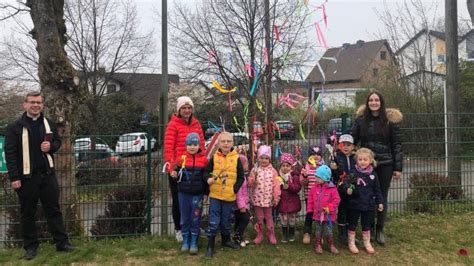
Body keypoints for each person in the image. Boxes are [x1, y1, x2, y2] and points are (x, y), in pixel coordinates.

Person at [4, 91, 75, 260]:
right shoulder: (15, 127)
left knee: (54, 211)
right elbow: (10, 154)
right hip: (26, 178)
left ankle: (62, 243)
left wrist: (50, 146)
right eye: (32, 102)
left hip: (47, 175)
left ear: (42, 105)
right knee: (28, 213)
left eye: (39, 102)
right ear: (25, 104)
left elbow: (57, 142)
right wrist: (14, 178)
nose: (36, 105)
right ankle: (31, 247)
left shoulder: (48, 123)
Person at [350, 90, 403, 245]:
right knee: (367, 196)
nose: (374, 103)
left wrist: (398, 168)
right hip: (367, 165)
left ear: (381, 102)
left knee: (381, 197)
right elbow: (352, 138)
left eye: (377, 100)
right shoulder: (361, 121)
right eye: (371, 100)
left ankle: (380, 229)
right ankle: (369, 228)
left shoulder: (390, 121)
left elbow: (397, 145)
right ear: (367, 103)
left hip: (386, 164)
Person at [164, 96, 206, 242]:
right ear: (179, 110)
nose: (187, 110)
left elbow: (202, 146)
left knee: (195, 199)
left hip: (195, 167)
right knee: (178, 200)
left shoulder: (196, 124)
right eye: (184, 108)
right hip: (179, 168)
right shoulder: (173, 125)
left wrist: (203, 163)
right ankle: (179, 229)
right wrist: (171, 167)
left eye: (189, 108)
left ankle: (194, 227)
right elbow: (168, 148)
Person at [205, 132, 244, 257]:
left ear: (233, 143)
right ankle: (210, 245)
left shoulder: (237, 158)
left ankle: (226, 240)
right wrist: (208, 180)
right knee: (214, 220)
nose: (226, 143)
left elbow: (241, 177)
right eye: (223, 141)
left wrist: (234, 189)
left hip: (229, 196)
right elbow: (206, 172)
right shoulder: (214, 158)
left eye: (228, 141)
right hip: (215, 195)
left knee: (226, 220)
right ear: (218, 144)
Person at [173, 132, 208, 255]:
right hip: (183, 194)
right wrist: (173, 173)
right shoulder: (181, 158)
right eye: (189, 144)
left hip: (197, 195)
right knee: (185, 218)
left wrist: (205, 193)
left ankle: (194, 242)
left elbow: (206, 179)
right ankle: (185, 241)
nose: (192, 147)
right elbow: (175, 173)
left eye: (195, 144)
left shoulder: (204, 160)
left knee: (195, 218)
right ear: (185, 145)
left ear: (199, 145)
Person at [343, 148, 384, 254]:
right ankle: (351, 242)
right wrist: (347, 189)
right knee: (352, 223)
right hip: (354, 203)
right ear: (357, 160)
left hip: (368, 204)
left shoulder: (373, 175)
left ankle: (367, 243)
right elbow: (346, 183)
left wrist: (380, 202)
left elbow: (377, 190)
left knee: (366, 224)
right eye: (360, 159)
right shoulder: (353, 172)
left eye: (365, 159)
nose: (362, 161)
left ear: (370, 161)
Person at [248, 145, 281, 245]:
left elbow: (276, 185)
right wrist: (252, 181)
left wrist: (276, 197)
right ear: (258, 158)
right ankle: (260, 234)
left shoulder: (273, 171)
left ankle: (271, 233)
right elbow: (250, 183)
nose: (264, 160)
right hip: (257, 199)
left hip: (268, 199)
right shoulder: (255, 170)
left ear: (269, 159)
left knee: (269, 217)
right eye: (262, 158)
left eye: (266, 158)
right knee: (259, 218)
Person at [307, 165, 341, 254]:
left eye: (319, 177)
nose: (316, 179)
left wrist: (329, 208)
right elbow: (310, 200)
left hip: (328, 215)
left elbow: (336, 200)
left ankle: (331, 245)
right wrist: (310, 210)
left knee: (329, 230)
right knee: (318, 230)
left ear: (325, 178)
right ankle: (318, 244)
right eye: (316, 177)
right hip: (317, 215)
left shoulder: (332, 189)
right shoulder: (314, 188)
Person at [329, 134, 356, 244]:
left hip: (352, 188)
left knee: (352, 210)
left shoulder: (355, 158)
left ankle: (350, 233)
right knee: (342, 210)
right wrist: (334, 169)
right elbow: (334, 174)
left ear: (353, 146)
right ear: (339, 145)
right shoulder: (336, 157)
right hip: (340, 189)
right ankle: (342, 234)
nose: (345, 147)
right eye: (343, 144)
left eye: (348, 145)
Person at [300, 145, 324, 244]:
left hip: (321, 196)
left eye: (318, 154)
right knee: (309, 214)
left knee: (320, 215)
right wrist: (305, 176)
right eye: (313, 154)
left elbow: (326, 181)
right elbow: (302, 182)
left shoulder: (323, 167)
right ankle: (307, 233)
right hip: (309, 196)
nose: (316, 156)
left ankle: (319, 234)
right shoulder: (306, 167)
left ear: (321, 156)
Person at [277, 153, 301, 243]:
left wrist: (289, 186)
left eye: (287, 165)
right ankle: (284, 233)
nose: (285, 167)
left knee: (291, 220)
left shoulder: (294, 176)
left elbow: (297, 188)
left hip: (292, 202)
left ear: (291, 166)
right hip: (283, 202)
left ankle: (291, 233)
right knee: (283, 219)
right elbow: (276, 188)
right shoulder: (278, 176)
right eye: (283, 165)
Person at [233, 151, 250, 247]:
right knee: (245, 219)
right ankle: (237, 236)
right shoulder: (239, 177)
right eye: (246, 163)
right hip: (240, 205)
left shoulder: (242, 175)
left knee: (239, 220)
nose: (247, 165)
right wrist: (242, 206)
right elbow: (239, 193)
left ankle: (239, 237)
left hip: (241, 204)